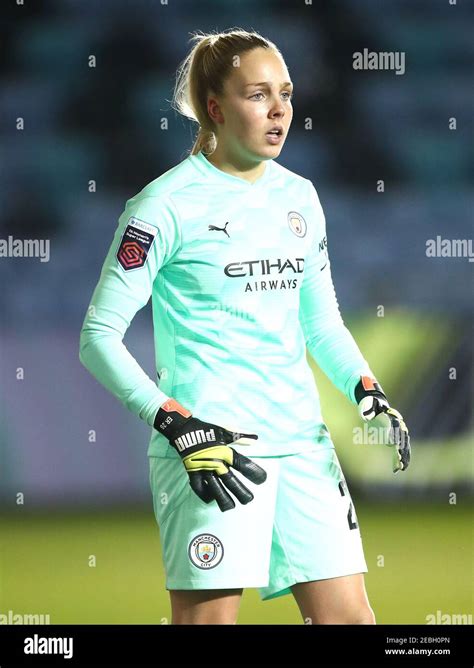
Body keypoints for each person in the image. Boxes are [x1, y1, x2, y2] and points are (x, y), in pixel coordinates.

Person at [79, 28, 410, 625]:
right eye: (258, 94)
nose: (279, 109)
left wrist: (365, 387)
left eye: (285, 92)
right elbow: (98, 336)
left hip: (304, 445)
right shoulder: (163, 206)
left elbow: (320, 320)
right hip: (214, 452)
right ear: (214, 108)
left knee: (352, 622)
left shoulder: (301, 198)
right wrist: (173, 421)